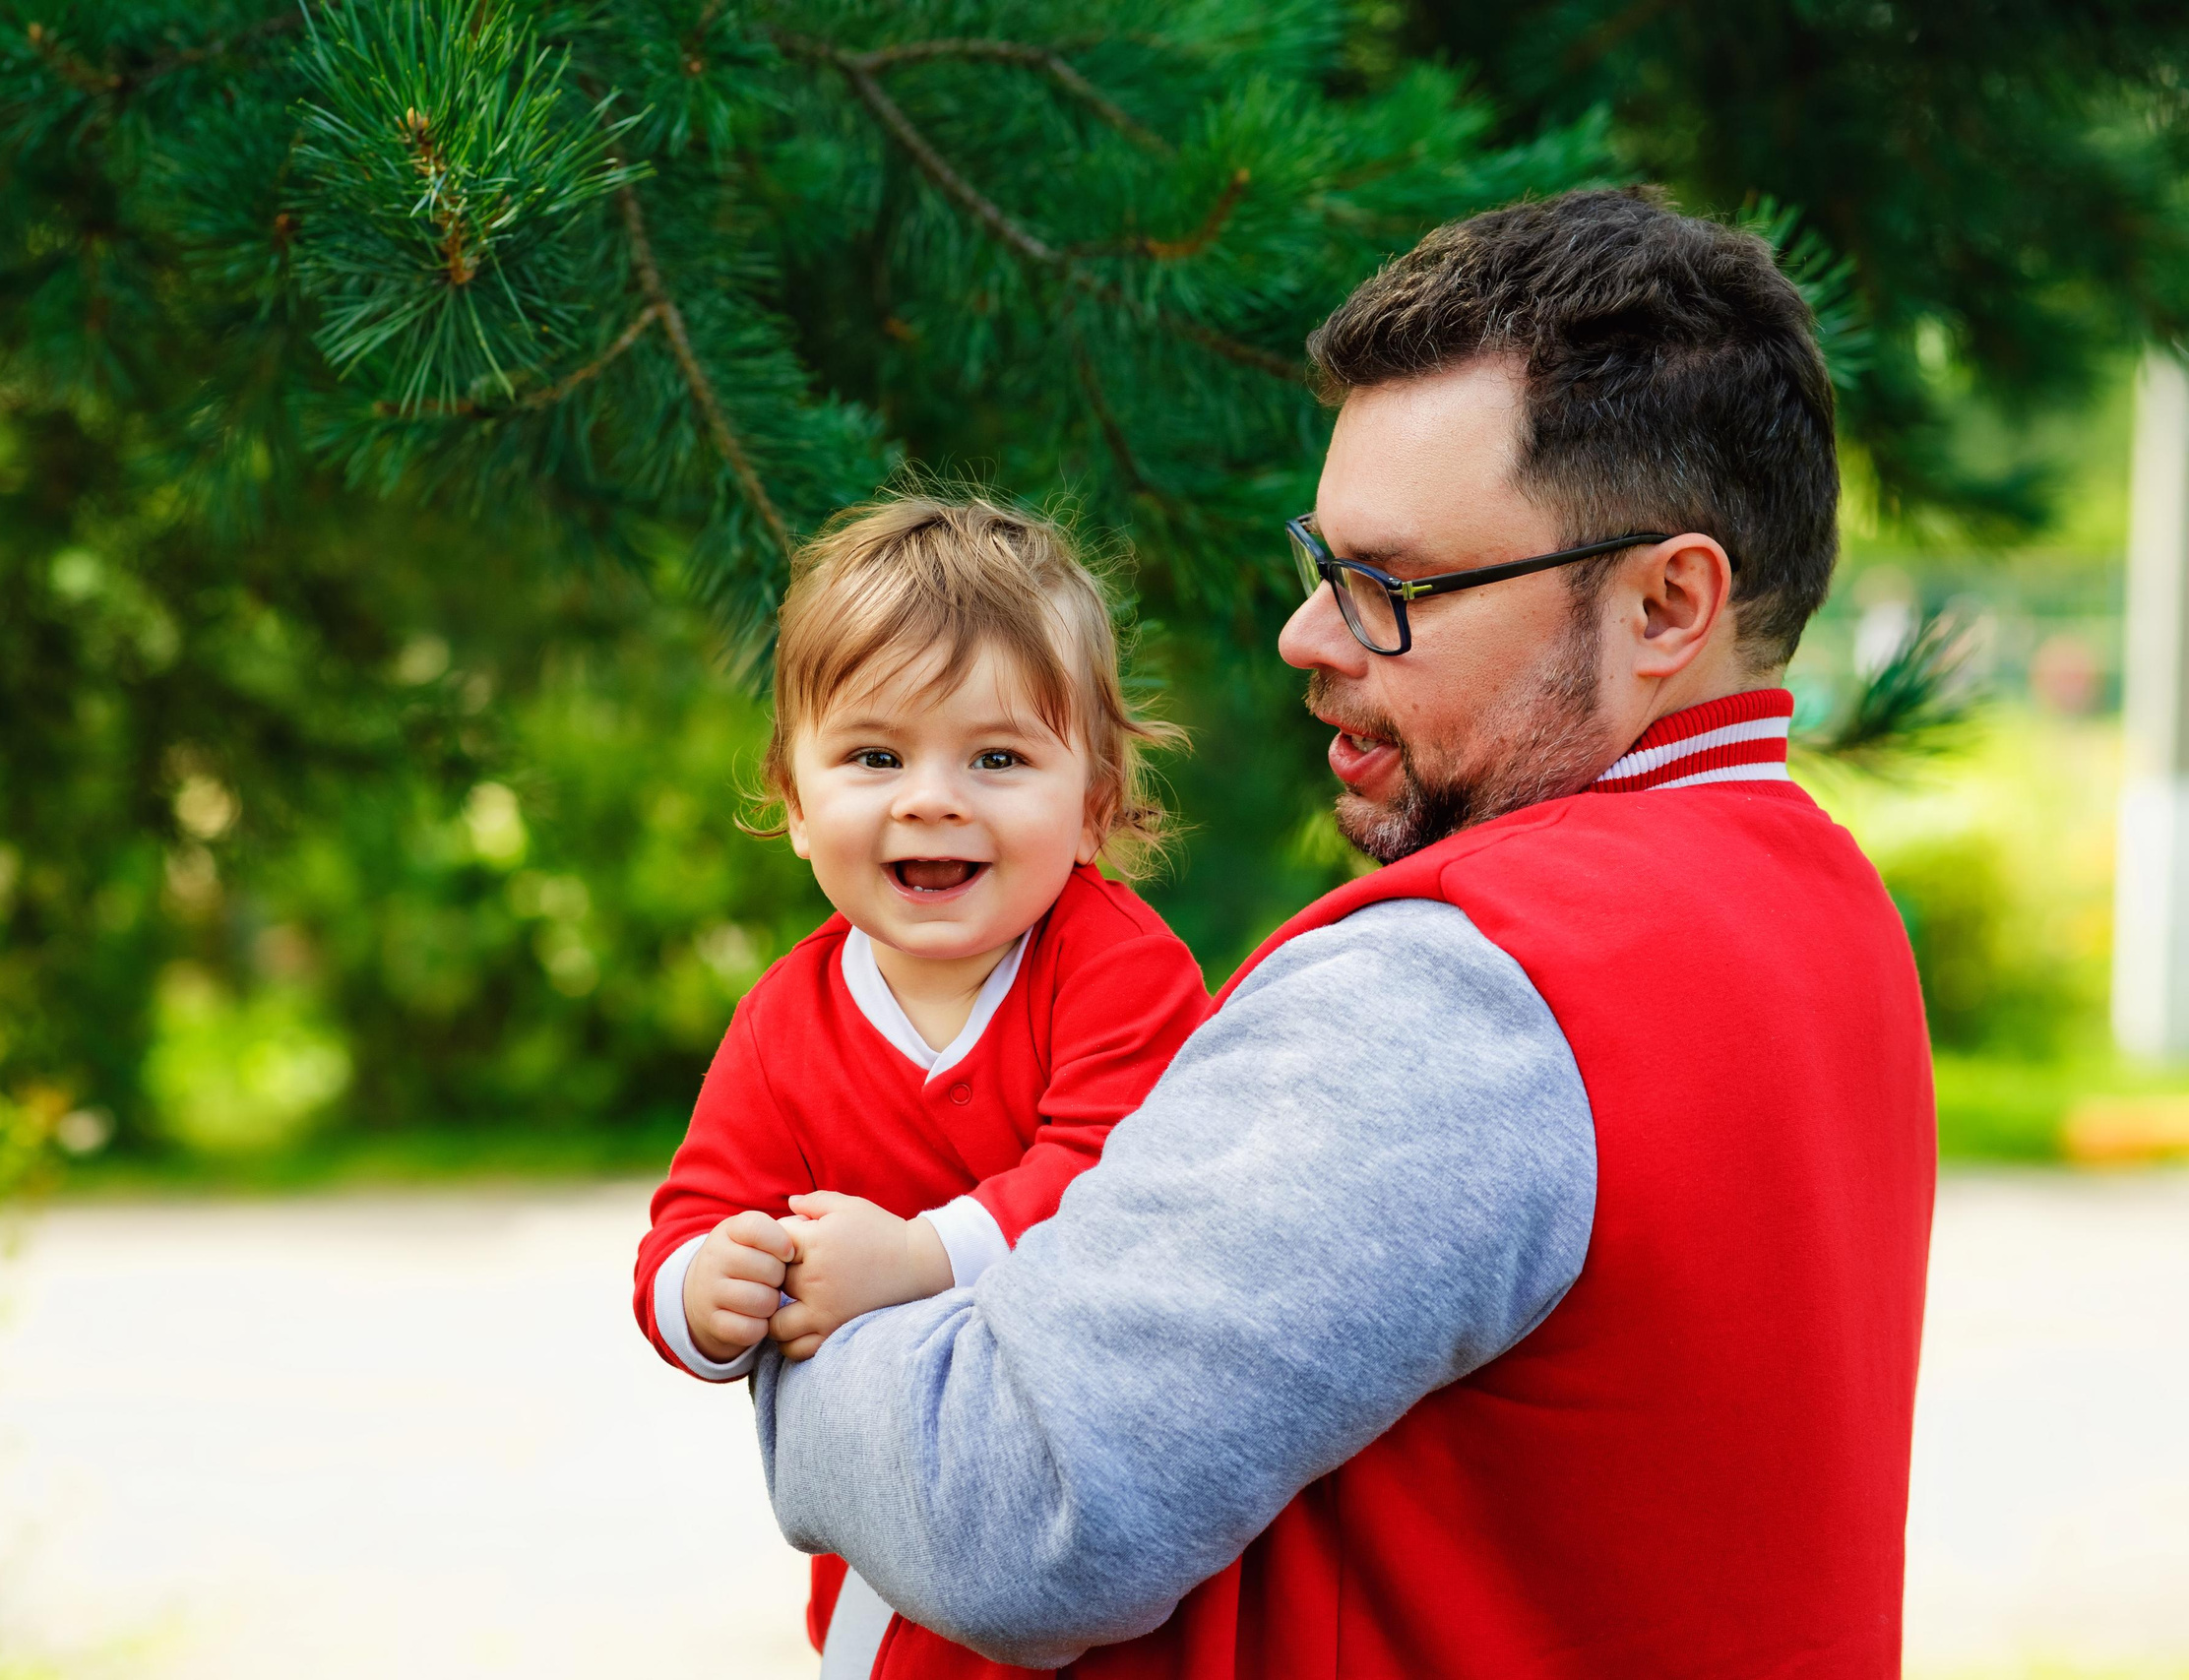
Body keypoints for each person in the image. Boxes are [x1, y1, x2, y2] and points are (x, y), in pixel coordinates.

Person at [756, 188, 1938, 1678]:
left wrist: (786, 1318)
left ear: (1663, 604)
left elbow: (1023, 1497)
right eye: (1322, 567)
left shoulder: (1463, 982)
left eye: (1390, 586)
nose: (1307, 636)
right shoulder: (1821, 903)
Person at [631, 496, 1213, 1679]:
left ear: (1094, 803)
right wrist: (705, 1290)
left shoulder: (1117, 966)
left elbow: (1128, 1185)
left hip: (1125, 1554)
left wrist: (917, 1259)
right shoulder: (783, 1021)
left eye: (996, 758)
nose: (930, 798)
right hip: (896, 1588)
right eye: (873, 756)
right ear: (794, 804)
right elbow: (688, 1222)